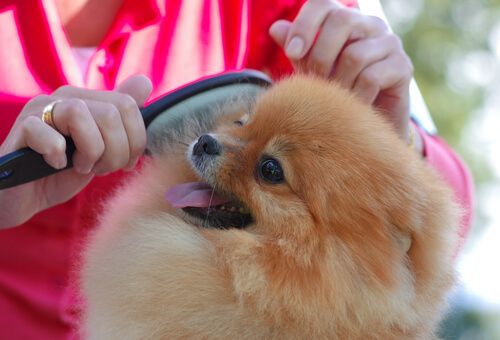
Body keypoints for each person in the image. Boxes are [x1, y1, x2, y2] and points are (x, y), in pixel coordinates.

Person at [0, 0, 474, 338]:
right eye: (239, 122)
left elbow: (443, 222)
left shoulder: (297, 10)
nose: (216, 142)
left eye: (269, 170)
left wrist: (393, 139)